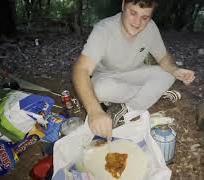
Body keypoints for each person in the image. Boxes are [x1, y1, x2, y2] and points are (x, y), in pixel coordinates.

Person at [72, 0, 195, 141]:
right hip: (106, 76)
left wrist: (175, 70)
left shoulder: (151, 28)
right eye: (133, 13)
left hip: (134, 72)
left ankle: (129, 110)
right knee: (98, 90)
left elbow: (164, 57)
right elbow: (80, 68)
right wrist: (95, 111)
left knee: (168, 74)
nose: (137, 23)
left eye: (144, 17)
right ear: (123, 5)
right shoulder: (104, 29)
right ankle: (154, 94)